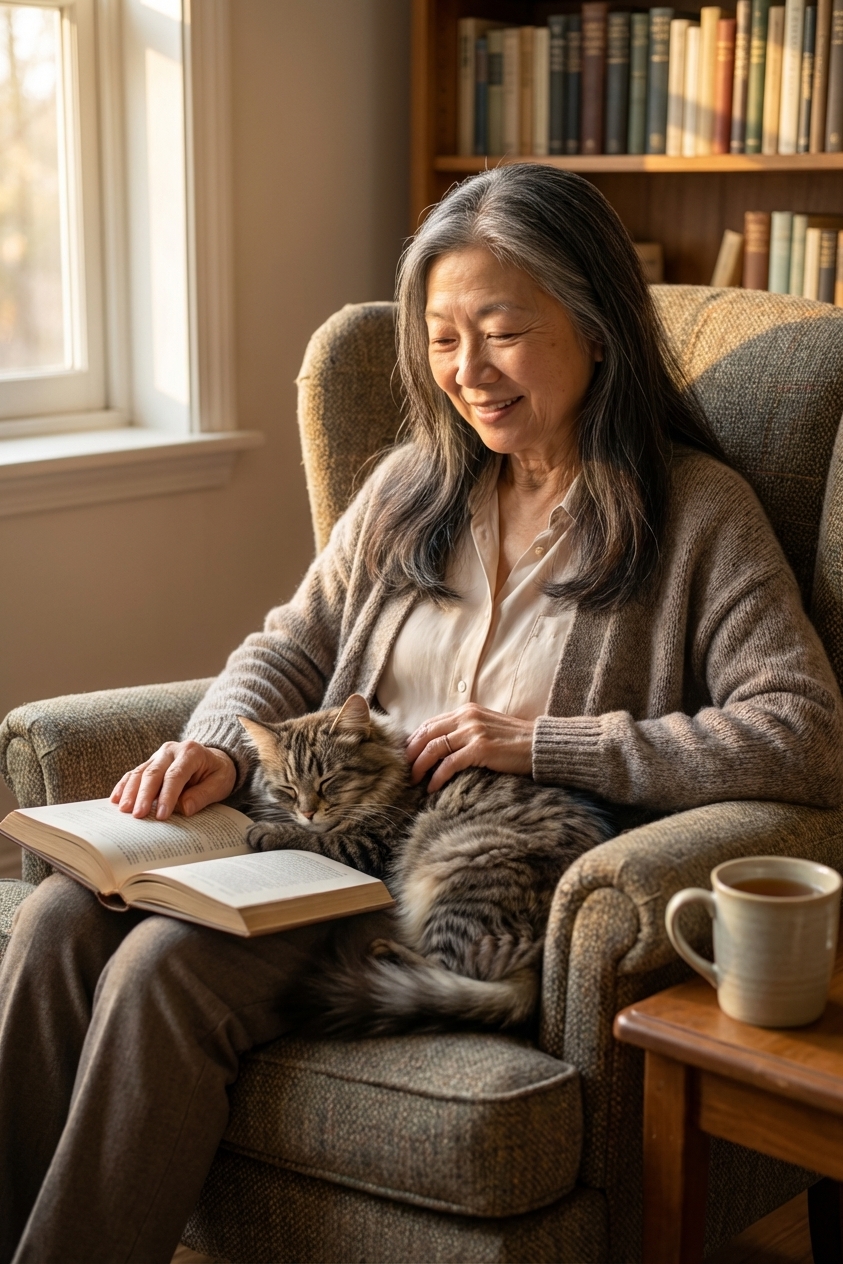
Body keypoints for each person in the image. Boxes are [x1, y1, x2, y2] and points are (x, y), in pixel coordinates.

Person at [1, 165, 841, 1264]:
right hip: (312, 848)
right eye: (443, 337)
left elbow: (804, 731)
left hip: (458, 889)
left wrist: (542, 740)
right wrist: (210, 744)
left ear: (594, 327)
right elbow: (289, 643)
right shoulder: (410, 486)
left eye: (500, 332)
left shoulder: (693, 515)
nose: (467, 373)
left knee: (165, 972)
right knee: (64, 918)